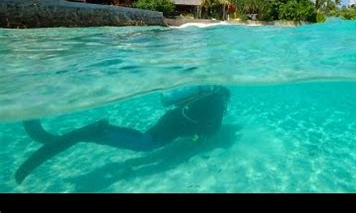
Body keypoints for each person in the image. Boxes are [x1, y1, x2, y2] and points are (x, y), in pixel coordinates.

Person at [15, 85, 230, 184]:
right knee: (144, 144)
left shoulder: (207, 96)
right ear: (225, 97)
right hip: (174, 125)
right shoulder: (218, 102)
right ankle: (98, 131)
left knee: (144, 140)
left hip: (172, 119)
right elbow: (212, 131)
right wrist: (199, 140)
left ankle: (98, 131)